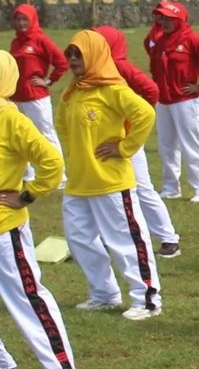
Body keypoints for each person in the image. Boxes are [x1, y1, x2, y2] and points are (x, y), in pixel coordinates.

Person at [0, 50, 83, 369]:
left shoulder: (12, 121)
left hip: (2, 230)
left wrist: (26, 196)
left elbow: (51, 162)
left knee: (27, 299)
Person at [57, 30, 162, 321]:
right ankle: (103, 293)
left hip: (111, 182)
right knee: (79, 240)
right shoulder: (73, 91)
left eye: (79, 54)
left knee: (125, 241)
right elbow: (62, 123)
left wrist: (124, 147)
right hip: (79, 183)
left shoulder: (113, 89)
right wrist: (77, 153)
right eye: (70, 54)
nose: (74, 59)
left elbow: (145, 114)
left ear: (95, 55)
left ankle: (147, 299)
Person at [95, 25, 181, 259]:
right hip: (100, 142)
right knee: (103, 190)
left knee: (142, 188)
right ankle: (105, 239)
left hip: (126, 141)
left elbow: (151, 90)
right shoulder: (91, 70)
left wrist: (132, 122)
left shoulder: (120, 66)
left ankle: (168, 238)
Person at [148, 0, 199, 203]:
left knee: (192, 145)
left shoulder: (192, 39)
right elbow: (150, 49)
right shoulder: (161, 39)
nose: (164, 21)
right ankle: (171, 187)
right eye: (162, 17)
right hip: (163, 101)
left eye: (168, 18)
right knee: (167, 145)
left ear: (179, 19)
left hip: (185, 101)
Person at [9, 4, 68, 181]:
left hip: (36, 98)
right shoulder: (15, 42)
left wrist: (48, 81)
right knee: (18, 136)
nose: (21, 23)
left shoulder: (41, 40)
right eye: (18, 19)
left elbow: (62, 62)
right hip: (15, 97)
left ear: (32, 19)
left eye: (24, 19)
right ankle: (27, 175)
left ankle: (59, 175)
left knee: (46, 134)